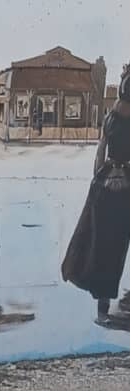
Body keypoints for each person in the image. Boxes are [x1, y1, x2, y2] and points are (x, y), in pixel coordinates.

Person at [62, 66, 130, 326]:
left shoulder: (111, 117)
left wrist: (98, 178)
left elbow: (100, 150)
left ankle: (103, 308)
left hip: (105, 185)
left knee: (104, 247)